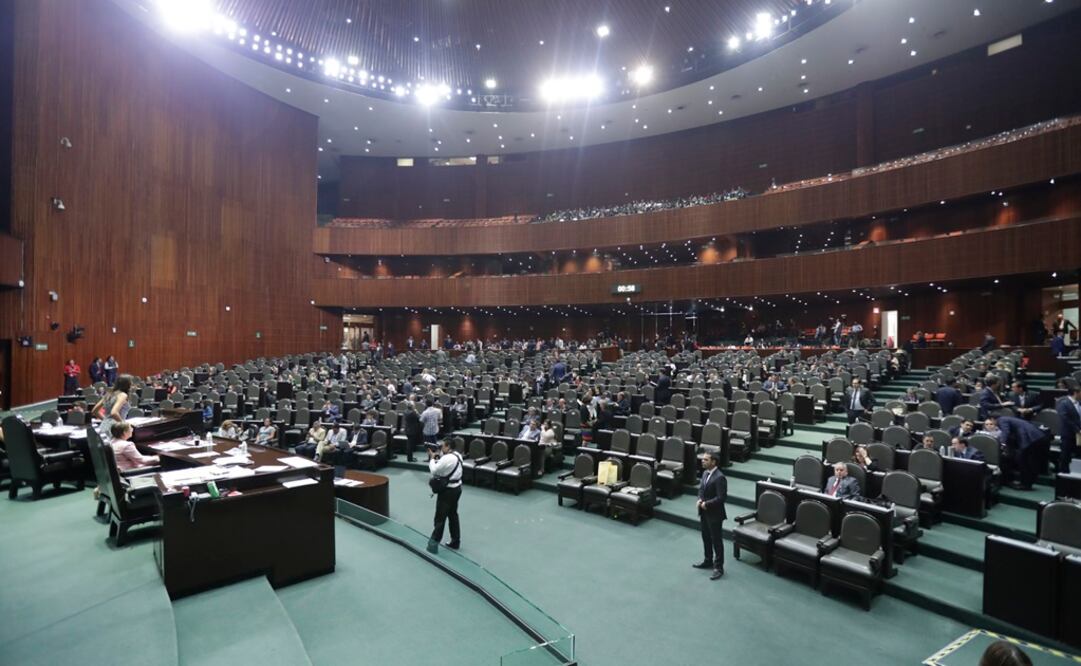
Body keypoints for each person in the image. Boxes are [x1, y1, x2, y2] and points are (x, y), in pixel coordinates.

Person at [984, 416, 1050, 490]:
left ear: (993, 419)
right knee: (1028, 462)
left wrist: (1002, 444)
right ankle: (1026, 484)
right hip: (1036, 438)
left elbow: (1006, 432)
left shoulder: (1002, 420)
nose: (992, 424)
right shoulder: (1009, 419)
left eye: (991, 422)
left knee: (1025, 462)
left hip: (1031, 439)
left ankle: (1025, 484)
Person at [428, 439, 463, 550]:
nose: (441, 447)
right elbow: (444, 466)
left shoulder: (447, 458)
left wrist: (432, 458)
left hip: (447, 492)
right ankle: (455, 541)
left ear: (448, 446)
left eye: (443, 446)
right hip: (457, 489)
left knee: (440, 518)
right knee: (453, 515)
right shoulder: (458, 455)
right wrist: (438, 457)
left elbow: (434, 470)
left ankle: (433, 544)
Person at [92, 374, 133, 442]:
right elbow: (114, 412)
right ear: (127, 384)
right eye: (131, 383)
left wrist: (106, 420)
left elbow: (94, 411)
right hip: (115, 429)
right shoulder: (123, 395)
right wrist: (124, 425)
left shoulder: (109, 394)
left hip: (103, 426)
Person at [1055, 385, 1081, 473]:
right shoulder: (1063, 403)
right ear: (1076, 393)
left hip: (1078, 434)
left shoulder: (1079, 402)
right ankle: (1063, 473)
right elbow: (1065, 419)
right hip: (1068, 434)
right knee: (1065, 455)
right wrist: (1077, 429)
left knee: (1077, 455)